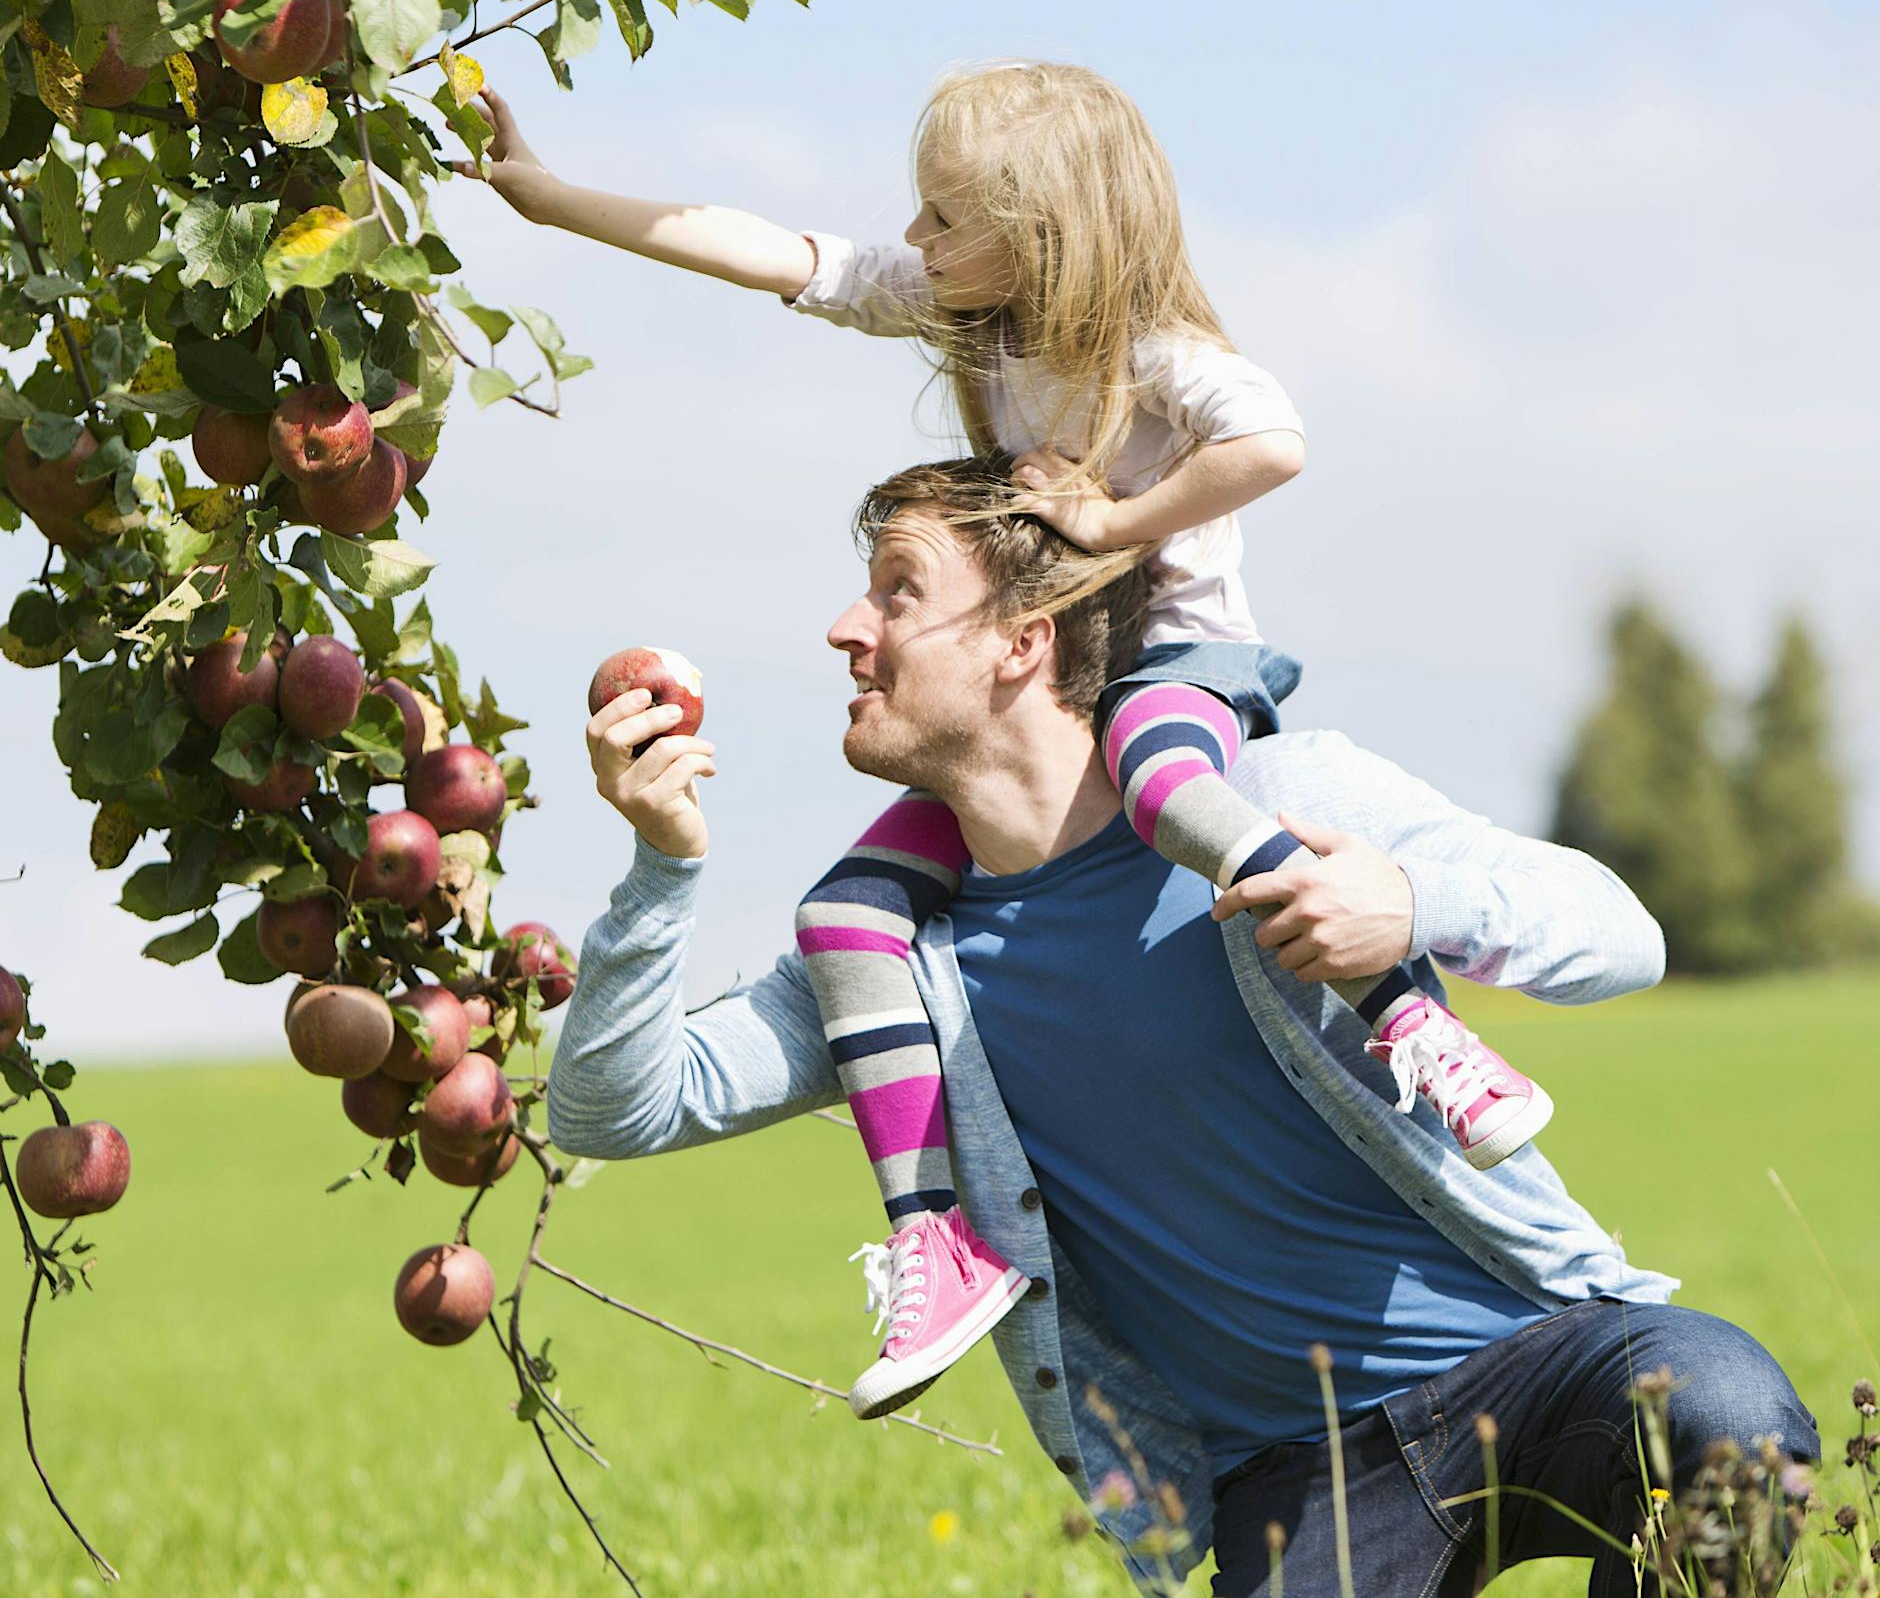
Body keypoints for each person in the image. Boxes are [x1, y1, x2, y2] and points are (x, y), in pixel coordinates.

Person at [458, 60, 1551, 1417]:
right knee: (847, 914)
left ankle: (1410, 1022)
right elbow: (773, 251)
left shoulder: (1149, 354)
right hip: (1070, 689)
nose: (910, 238)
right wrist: (552, 199)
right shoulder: (968, 314)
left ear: (1040, 235)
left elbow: (1272, 441)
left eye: (942, 217)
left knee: (1165, 783)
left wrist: (1114, 523)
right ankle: (934, 1232)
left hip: (1176, 664)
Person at [546, 456, 1816, 1596]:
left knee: (1727, 1419)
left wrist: (1406, 899)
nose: (844, 626)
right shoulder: (894, 970)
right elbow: (614, 1106)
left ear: (1021, 640)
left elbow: (1620, 931)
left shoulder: (1277, 793)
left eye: (895, 590)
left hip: (1534, 1359)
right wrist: (661, 865)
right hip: (1302, 1477)